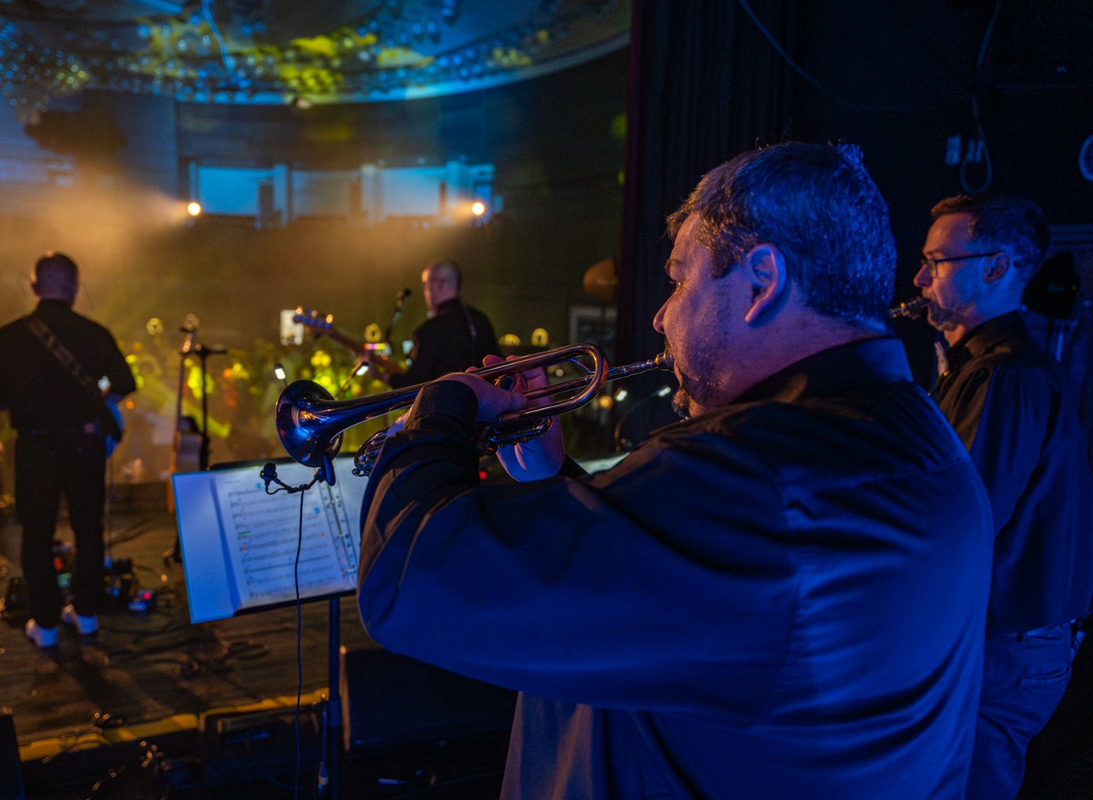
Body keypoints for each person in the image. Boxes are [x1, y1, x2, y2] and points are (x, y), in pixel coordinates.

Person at [356, 143, 994, 798]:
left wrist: (442, 408)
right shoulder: (920, 435)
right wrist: (556, 481)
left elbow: (407, 581)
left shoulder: (756, 475)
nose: (662, 315)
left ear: (762, 282)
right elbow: (701, 609)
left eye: (681, 279)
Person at [913, 194, 1093, 799]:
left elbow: (960, 522)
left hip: (1003, 650)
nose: (917, 279)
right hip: (1008, 645)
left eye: (937, 261)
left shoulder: (1004, 376)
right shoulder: (989, 369)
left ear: (995, 268)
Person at [0, 253, 136, 648]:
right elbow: (124, 384)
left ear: (34, 286)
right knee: (88, 530)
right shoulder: (94, 333)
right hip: (85, 443)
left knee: (36, 534)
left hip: (35, 446)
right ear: (74, 287)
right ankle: (86, 616)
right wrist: (94, 393)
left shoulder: (8, 336)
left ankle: (46, 625)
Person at [383, 259, 501, 388]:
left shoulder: (431, 329)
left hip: (443, 405)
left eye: (425, 285)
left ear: (439, 283)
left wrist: (383, 376)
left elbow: (415, 385)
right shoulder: (480, 320)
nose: (425, 291)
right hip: (483, 404)